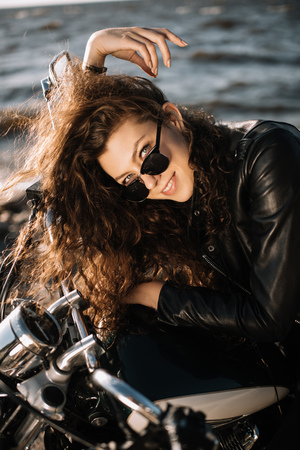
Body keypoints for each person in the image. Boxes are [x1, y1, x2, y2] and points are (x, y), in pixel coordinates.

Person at [2, 27, 300, 346]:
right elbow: (74, 178)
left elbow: (271, 319)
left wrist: (148, 293)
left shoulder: (268, 155)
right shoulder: (174, 182)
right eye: (130, 180)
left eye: (146, 153)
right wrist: (93, 56)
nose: (150, 181)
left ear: (172, 119)